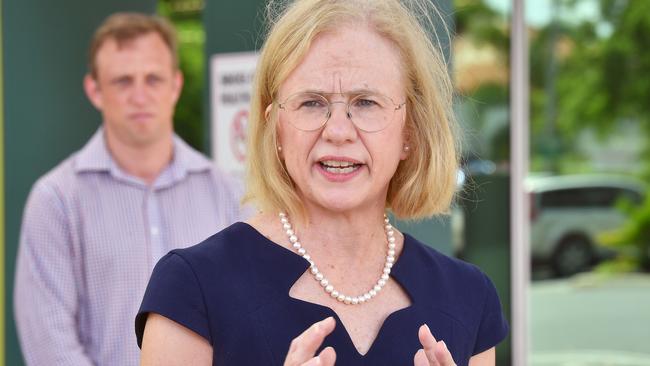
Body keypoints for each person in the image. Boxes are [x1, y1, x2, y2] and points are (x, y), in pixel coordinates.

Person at [136, 0, 508, 365]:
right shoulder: (192, 289)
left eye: (366, 102)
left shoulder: (469, 297)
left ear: (410, 131)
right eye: (312, 103)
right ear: (275, 128)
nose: (339, 131)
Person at [13, 12, 242, 366]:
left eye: (153, 79)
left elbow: (242, 317)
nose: (140, 96)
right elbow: (49, 342)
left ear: (176, 85)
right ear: (94, 90)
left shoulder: (226, 192)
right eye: (122, 81)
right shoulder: (56, 200)